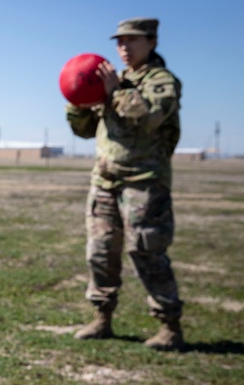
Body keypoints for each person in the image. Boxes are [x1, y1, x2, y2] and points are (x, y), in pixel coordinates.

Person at [65, 18, 184, 350]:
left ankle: (169, 326)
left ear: (151, 42)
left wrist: (115, 90)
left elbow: (148, 115)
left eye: (131, 41)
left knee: (146, 251)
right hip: (105, 181)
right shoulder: (115, 80)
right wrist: (78, 105)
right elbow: (87, 130)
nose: (124, 48)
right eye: (119, 42)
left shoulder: (161, 81)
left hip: (144, 183)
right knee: (100, 253)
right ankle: (102, 318)